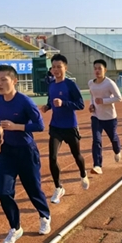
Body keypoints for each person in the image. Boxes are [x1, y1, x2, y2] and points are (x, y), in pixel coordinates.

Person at [0, 65, 51, 243]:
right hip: (8, 151)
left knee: (33, 189)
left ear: (14, 81)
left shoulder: (25, 101)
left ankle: (45, 216)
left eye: (3, 80)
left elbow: (40, 126)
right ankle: (15, 228)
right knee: (3, 192)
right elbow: (1, 119)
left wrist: (16, 127)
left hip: (27, 151)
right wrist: (0, 130)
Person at [41, 54, 89, 205]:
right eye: (53, 67)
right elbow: (51, 101)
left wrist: (64, 103)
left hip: (70, 126)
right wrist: (47, 106)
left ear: (65, 68)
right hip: (56, 127)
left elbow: (80, 104)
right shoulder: (51, 85)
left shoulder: (70, 85)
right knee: (52, 157)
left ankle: (83, 173)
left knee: (77, 155)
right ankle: (58, 187)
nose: (56, 70)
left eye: (59, 67)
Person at [88, 59, 122, 175]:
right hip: (96, 116)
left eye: (100, 68)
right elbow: (92, 96)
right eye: (95, 68)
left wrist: (103, 101)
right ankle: (97, 165)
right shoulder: (91, 83)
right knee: (96, 140)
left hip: (109, 117)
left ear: (105, 70)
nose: (97, 71)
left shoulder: (109, 83)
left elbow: (119, 98)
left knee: (113, 138)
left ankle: (117, 150)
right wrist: (91, 105)